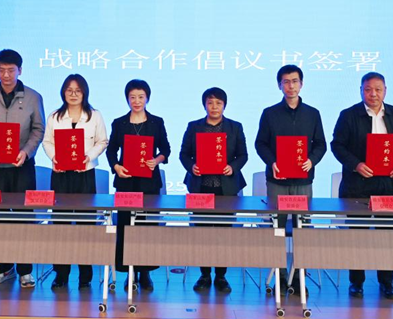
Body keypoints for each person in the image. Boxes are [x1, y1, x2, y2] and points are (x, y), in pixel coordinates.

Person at [331, 72, 393, 300]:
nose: (373, 94)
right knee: (358, 236)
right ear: (361, 90)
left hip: (389, 184)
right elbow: (337, 145)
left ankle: (386, 282)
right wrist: (356, 165)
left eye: (378, 89)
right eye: (368, 89)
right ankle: (356, 282)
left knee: (387, 235)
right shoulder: (348, 115)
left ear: (385, 90)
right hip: (359, 184)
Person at [0, 49, 45, 289]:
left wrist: (26, 152)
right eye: (2, 70)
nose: (6, 75)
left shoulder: (33, 97)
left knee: (25, 217)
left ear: (20, 70)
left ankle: (26, 270)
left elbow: (38, 129)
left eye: (11, 70)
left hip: (22, 166)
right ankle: (4, 267)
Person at [255, 64, 327, 290]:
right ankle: (279, 274)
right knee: (277, 228)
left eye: (295, 81)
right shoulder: (270, 113)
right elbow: (260, 144)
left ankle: (298, 277)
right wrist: (272, 162)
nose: (290, 86)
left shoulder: (312, 114)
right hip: (277, 181)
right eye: (286, 82)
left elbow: (321, 144)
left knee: (301, 229)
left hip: (303, 181)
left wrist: (311, 160)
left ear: (301, 84)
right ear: (279, 85)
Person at [179, 87, 248, 294]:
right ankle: (204, 275)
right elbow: (184, 154)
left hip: (226, 189)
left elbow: (243, 155)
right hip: (201, 188)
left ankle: (221, 276)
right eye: (210, 103)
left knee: (223, 235)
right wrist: (191, 166)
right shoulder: (194, 127)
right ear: (204, 105)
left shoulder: (235, 127)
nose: (214, 107)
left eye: (218, 103)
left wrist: (232, 167)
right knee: (202, 234)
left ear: (224, 105)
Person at [43, 74, 109, 290]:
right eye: (69, 90)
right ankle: (61, 274)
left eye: (78, 90)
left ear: (84, 93)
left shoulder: (94, 115)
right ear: (63, 92)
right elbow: (47, 141)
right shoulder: (55, 116)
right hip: (60, 174)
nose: (73, 94)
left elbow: (102, 141)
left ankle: (85, 275)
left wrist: (88, 157)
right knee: (60, 225)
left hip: (84, 174)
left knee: (85, 225)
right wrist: (54, 157)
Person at [106, 79, 171, 291]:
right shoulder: (119, 123)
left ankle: (145, 273)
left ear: (147, 98)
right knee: (126, 227)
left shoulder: (156, 122)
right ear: (127, 99)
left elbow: (166, 150)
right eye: (132, 97)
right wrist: (116, 166)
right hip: (126, 181)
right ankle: (130, 273)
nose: (136, 101)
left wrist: (156, 160)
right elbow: (111, 150)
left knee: (147, 228)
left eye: (141, 97)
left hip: (149, 183)